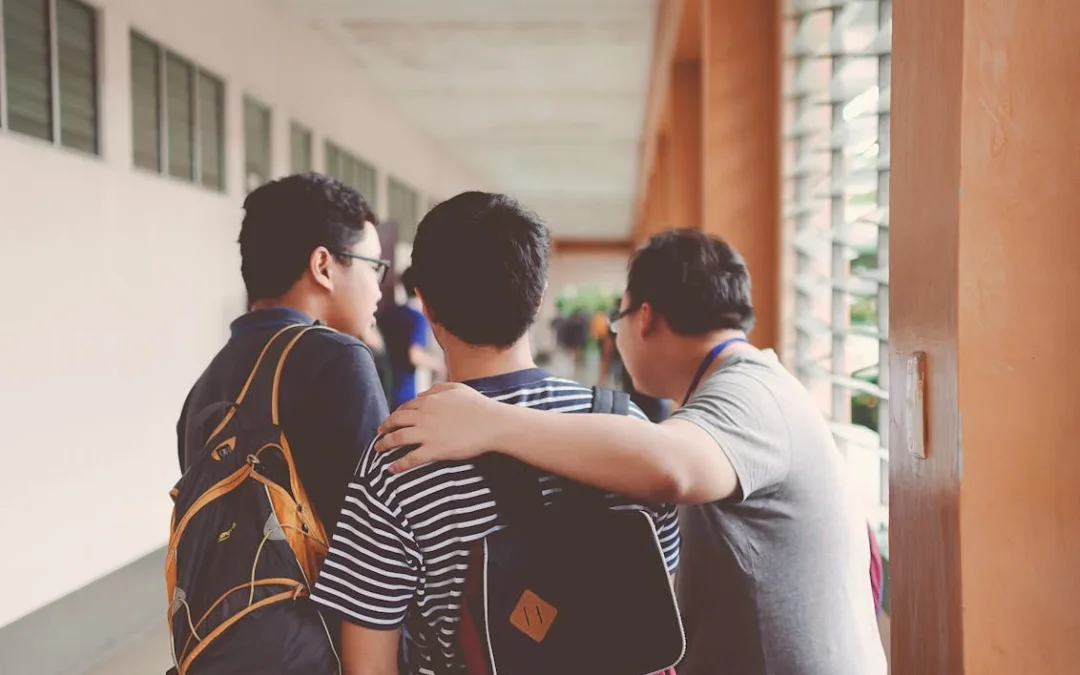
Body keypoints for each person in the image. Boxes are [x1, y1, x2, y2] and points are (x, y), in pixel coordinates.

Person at [373, 229, 888, 675]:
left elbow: (671, 467)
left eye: (616, 320)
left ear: (644, 318)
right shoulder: (749, 386)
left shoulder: (752, 394)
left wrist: (489, 422)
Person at [309, 192, 680, 674]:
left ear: (426, 304)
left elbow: (368, 667)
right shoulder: (627, 432)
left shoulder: (398, 459)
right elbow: (656, 607)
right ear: (539, 293)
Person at [177, 172, 390, 533]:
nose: (379, 290)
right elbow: (380, 534)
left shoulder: (207, 384)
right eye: (375, 267)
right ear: (323, 266)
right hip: (323, 591)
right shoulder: (340, 359)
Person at [378, 266, 445, 408]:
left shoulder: (390, 311)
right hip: (405, 391)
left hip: (382, 386)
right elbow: (414, 355)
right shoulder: (418, 317)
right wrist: (439, 365)